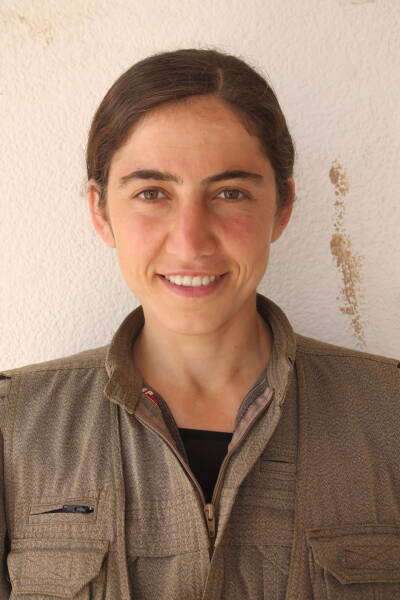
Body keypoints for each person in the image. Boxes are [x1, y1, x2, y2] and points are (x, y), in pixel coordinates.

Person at [1, 48, 399, 600]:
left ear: (282, 206)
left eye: (230, 193)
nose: (190, 241)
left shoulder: (389, 412)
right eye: (152, 194)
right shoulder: (13, 425)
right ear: (100, 210)